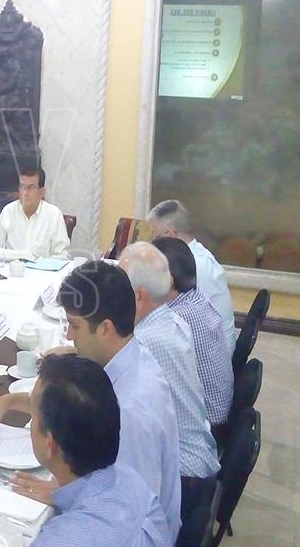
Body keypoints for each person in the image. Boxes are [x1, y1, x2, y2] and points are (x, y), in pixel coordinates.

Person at [0, 261, 182, 543]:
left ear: (105, 329)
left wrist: (63, 495)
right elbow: (74, 405)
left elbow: (127, 517)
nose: (69, 336)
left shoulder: (132, 410)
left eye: (74, 326)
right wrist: (10, 402)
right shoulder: (132, 354)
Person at [0, 353, 171, 547]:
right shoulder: (131, 481)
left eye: (34, 416)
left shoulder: (64, 539)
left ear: (49, 443)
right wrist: (65, 495)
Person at [118, 241, 220, 547]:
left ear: (138, 296)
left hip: (184, 479)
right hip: (199, 462)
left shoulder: (146, 340)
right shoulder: (171, 319)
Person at [153, 236, 233, 427]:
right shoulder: (195, 296)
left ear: (168, 281)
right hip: (218, 406)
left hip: (207, 421)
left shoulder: (177, 319)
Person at [148, 199, 236, 353]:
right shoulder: (195, 253)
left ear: (170, 236)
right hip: (212, 345)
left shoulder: (195, 265)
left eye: (154, 238)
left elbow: (164, 316)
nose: (151, 244)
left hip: (212, 354)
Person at [0, 166, 70, 258]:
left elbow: (62, 256)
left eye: (30, 187)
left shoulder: (54, 215)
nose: (25, 193)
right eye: (22, 187)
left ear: (42, 192)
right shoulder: (8, 211)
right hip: (11, 266)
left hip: (41, 267)